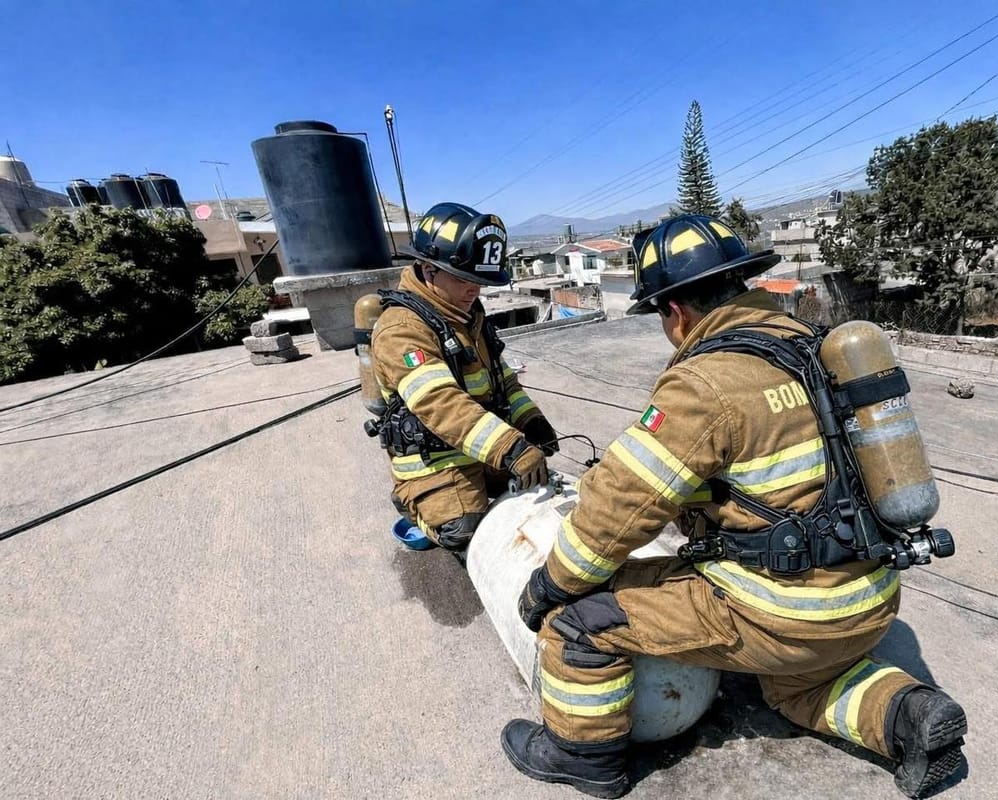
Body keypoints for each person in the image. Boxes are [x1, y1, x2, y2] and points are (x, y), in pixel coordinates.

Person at [501, 215, 967, 798]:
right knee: (793, 688)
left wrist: (552, 583)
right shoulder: (811, 347)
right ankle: (910, 716)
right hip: (868, 600)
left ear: (675, 312)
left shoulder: (706, 383)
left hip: (784, 611)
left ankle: (585, 759)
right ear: (743, 282)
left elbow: (618, 508)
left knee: (579, 624)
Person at [371, 202, 557, 550]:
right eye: (465, 279)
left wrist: (530, 421)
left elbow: (502, 379)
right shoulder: (401, 329)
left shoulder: (467, 316)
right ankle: (414, 505)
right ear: (428, 269)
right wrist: (510, 448)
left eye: (480, 280)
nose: (476, 290)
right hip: (434, 459)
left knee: (536, 489)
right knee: (465, 531)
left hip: (476, 446)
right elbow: (439, 403)